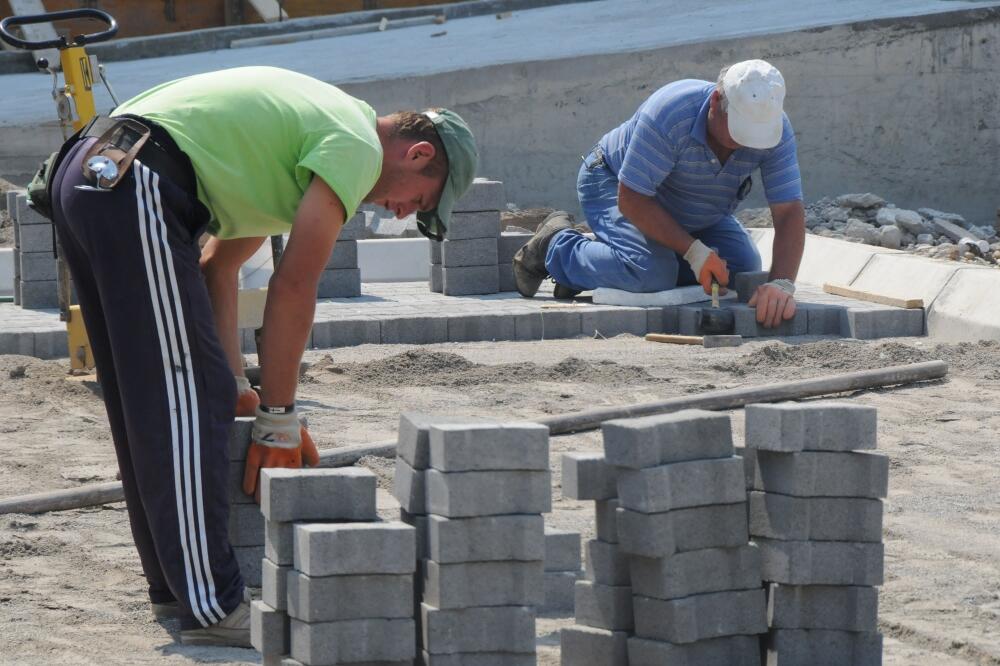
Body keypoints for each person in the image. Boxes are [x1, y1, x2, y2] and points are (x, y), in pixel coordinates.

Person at [47, 65, 477, 646]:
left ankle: (177, 593)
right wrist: (278, 415)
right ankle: (215, 608)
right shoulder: (353, 146)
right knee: (182, 403)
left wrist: (234, 382)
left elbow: (219, 268)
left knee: (157, 397)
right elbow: (295, 287)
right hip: (134, 181)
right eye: (419, 201)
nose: (403, 214)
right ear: (419, 153)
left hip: (99, 173)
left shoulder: (307, 140)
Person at [513, 59, 804, 328]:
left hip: (695, 207)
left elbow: (789, 211)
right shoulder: (672, 112)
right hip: (615, 184)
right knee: (651, 273)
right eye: (738, 133)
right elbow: (632, 199)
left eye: (753, 137)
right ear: (716, 101)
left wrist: (781, 284)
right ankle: (557, 246)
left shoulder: (774, 130)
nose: (743, 145)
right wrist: (694, 251)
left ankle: (606, 268)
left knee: (741, 268)